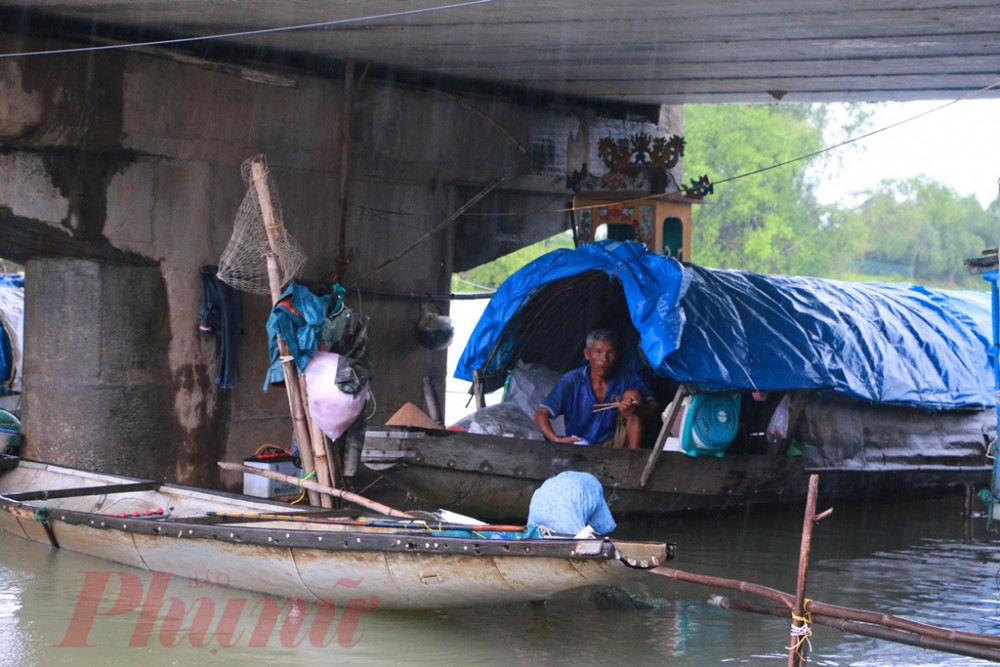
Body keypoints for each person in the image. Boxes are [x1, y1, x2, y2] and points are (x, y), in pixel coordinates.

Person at [533, 329, 660, 449]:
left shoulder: (627, 378)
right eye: (598, 352)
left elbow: (654, 409)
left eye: (610, 353)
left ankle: (633, 456)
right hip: (582, 444)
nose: (604, 359)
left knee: (633, 394)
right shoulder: (572, 380)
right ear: (587, 354)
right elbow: (540, 414)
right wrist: (555, 439)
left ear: (617, 354)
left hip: (616, 443)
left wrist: (636, 409)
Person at [527, 471, 616, 536]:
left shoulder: (549, 484)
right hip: (569, 529)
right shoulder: (593, 485)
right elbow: (605, 527)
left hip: (534, 528)